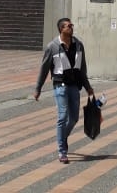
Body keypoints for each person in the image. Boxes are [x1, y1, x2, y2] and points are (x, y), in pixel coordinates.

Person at [33, 17, 94, 165]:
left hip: (74, 86)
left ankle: (62, 137)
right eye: (68, 26)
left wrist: (88, 87)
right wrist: (38, 88)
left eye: (72, 25)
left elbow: (82, 69)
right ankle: (62, 151)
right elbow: (44, 69)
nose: (71, 28)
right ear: (61, 29)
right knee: (62, 116)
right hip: (60, 86)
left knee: (74, 118)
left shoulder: (78, 45)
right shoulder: (52, 46)